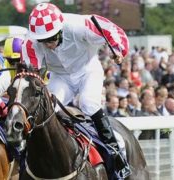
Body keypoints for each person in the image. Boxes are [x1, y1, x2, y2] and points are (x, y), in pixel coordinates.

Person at [21, 2, 130, 178]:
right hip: (60, 77)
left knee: (88, 103)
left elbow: (112, 30)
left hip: (88, 70)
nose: (48, 44)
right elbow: (31, 74)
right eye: (43, 40)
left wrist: (118, 49)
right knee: (48, 108)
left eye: (52, 38)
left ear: (60, 29)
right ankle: (31, 158)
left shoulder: (79, 24)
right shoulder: (30, 41)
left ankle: (116, 153)